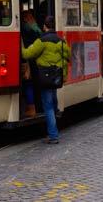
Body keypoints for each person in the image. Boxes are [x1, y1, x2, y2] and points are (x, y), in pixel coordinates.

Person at [22, 16, 71, 144]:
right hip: (56, 77)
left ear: (44, 26)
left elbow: (27, 54)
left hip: (45, 77)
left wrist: (21, 45)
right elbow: (68, 56)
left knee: (48, 106)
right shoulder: (61, 41)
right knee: (53, 103)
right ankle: (55, 122)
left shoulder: (41, 41)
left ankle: (53, 136)